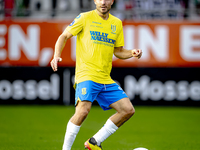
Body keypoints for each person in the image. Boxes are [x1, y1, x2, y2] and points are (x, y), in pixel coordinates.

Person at [50, 0, 142, 149]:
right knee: (83, 111)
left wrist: (132, 53)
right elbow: (64, 36)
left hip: (105, 78)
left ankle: (94, 142)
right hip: (86, 75)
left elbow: (118, 51)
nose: (103, 2)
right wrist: (56, 55)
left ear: (112, 1)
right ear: (94, 1)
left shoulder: (116, 23)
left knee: (128, 110)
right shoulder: (84, 18)